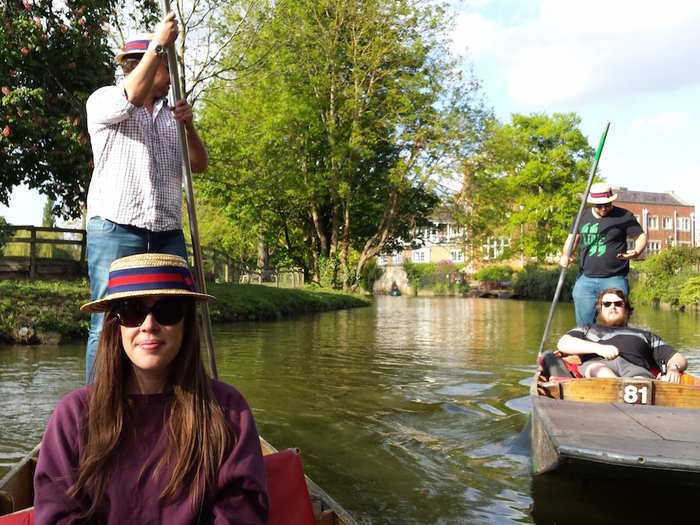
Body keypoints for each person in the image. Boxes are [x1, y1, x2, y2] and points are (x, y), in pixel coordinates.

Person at [34, 253, 268, 524]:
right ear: (115, 324)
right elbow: (58, 516)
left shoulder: (228, 411)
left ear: (186, 323)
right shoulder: (72, 416)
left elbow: (241, 514)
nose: (148, 325)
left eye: (167, 310)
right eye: (132, 311)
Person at [84, 11, 208, 382]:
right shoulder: (104, 100)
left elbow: (198, 164)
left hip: (167, 232)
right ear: (148, 65)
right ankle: (97, 408)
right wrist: (160, 42)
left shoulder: (173, 115)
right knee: (108, 322)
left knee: (175, 318)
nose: (173, 81)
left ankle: (174, 402)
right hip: (116, 230)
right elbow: (130, 98)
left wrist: (189, 128)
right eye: (169, 69)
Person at [560, 182, 647, 327]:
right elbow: (572, 239)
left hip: (615, 278)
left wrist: (636, 251)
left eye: (607, 204)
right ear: (592, 203)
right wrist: (565, 255)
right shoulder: (582, 216)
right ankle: (586, 346)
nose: (604, 208)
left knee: (616, 322)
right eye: (599, 206)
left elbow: (641, 236)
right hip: (586, 279)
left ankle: (619, 345)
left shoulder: (624, 216)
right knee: (584, 325)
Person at [557, 288, 687, 383]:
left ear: (627, 310)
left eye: (618, 304)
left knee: (640, 380)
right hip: (598, 364)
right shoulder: (587, 329)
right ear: (600, 310)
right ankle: (614, 391)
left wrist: (673, 368)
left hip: (635, 368)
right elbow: (563, 343)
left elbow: (677, 357)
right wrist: (599, 348)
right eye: (607, 304)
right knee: (600, 372)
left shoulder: (645, 335)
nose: (612, 307)